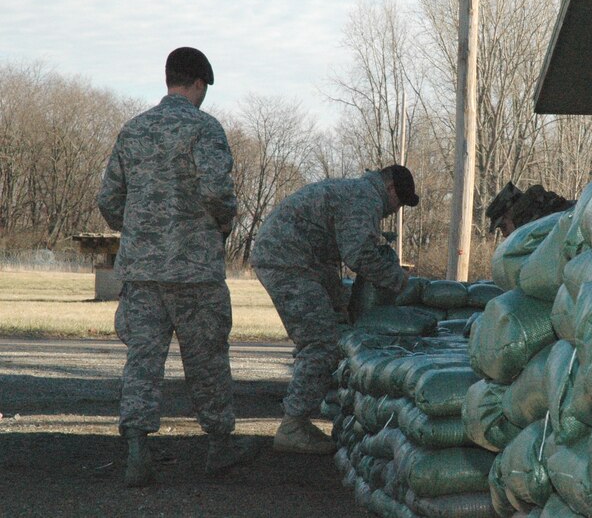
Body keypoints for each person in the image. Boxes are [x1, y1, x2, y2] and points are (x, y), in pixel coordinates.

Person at [98, 47, 257, 487]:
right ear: (199, 84)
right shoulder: (204, 128)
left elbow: (109, 200)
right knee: (206, 358)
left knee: (142, 361)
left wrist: (138, 232)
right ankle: (220, 445)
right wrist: (220, 227)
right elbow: (217, 192)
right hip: (195, 272)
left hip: (142, 273)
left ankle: (136, 449)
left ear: (169, 79)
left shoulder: (133, 130)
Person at [250, 165, 419, 454]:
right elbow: (359, 255)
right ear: (389, 187)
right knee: (321, 341)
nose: (395, 210)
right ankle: (293, 425)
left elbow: (331, 252)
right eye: (399, 201)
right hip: (287, 260)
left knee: (332, 325)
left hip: (303, 259)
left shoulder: (355, 192)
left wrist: (341, 302)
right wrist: (397, 280)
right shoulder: (365, 197)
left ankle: (299, 419)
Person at [485, 181, 574, 237]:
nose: (505, 234)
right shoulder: (528, 230)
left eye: (504, 227)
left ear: (509, 214)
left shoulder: (534, 224)